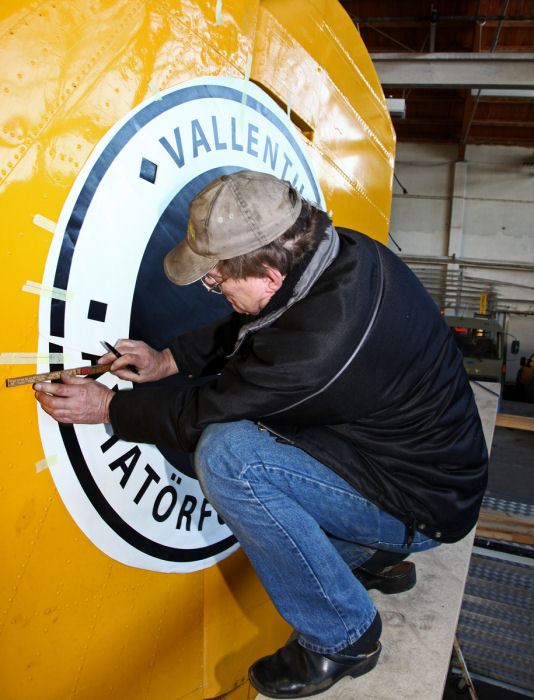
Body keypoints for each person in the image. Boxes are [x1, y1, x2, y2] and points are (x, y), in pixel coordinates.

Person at [35, 169, 488, 698]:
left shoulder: (323, 347)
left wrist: (109, 407)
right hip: (426, 470)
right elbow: (258, 321)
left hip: (424, 505)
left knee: (233, 457)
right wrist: (168, 358)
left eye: (217, 279)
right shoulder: (339, 255)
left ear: (269, 273)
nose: (216, 288)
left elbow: (203, 414)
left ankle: (343, 635)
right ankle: (372, 557)